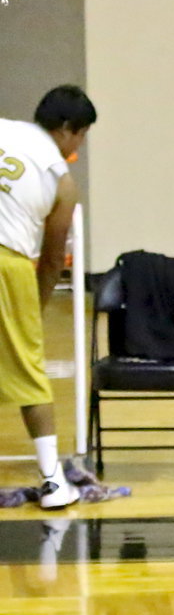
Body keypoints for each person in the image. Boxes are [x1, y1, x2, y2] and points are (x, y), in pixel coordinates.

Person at [0, 84, 97, 509]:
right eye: (82, 135)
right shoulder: (61, 180)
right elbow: (55, 257)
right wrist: (33, 310)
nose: (80, 145)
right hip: (8, 262)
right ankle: (54, 481)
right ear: (67, 130)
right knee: (28, 370)